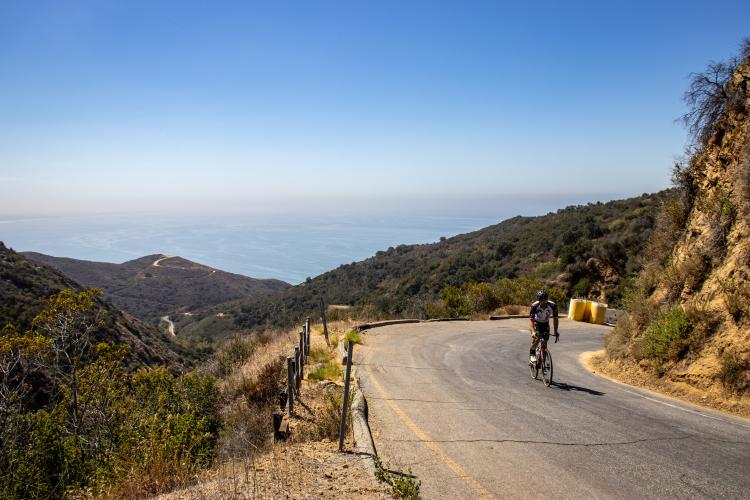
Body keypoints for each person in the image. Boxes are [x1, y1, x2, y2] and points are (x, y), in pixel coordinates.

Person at [529, 290, 559, 363]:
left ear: (547, 299)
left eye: (545, 299)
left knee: (545, 342)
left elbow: (555, 319)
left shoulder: (553, 306)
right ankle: (532, 351)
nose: (543, 301)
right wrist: (533, 331)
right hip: (537, 323)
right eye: (541, 300)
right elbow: (531, 320)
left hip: (545, 323)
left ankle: (543, 362)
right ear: (538, 300)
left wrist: (555, 331)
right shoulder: (534, 306)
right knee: (538, 338)